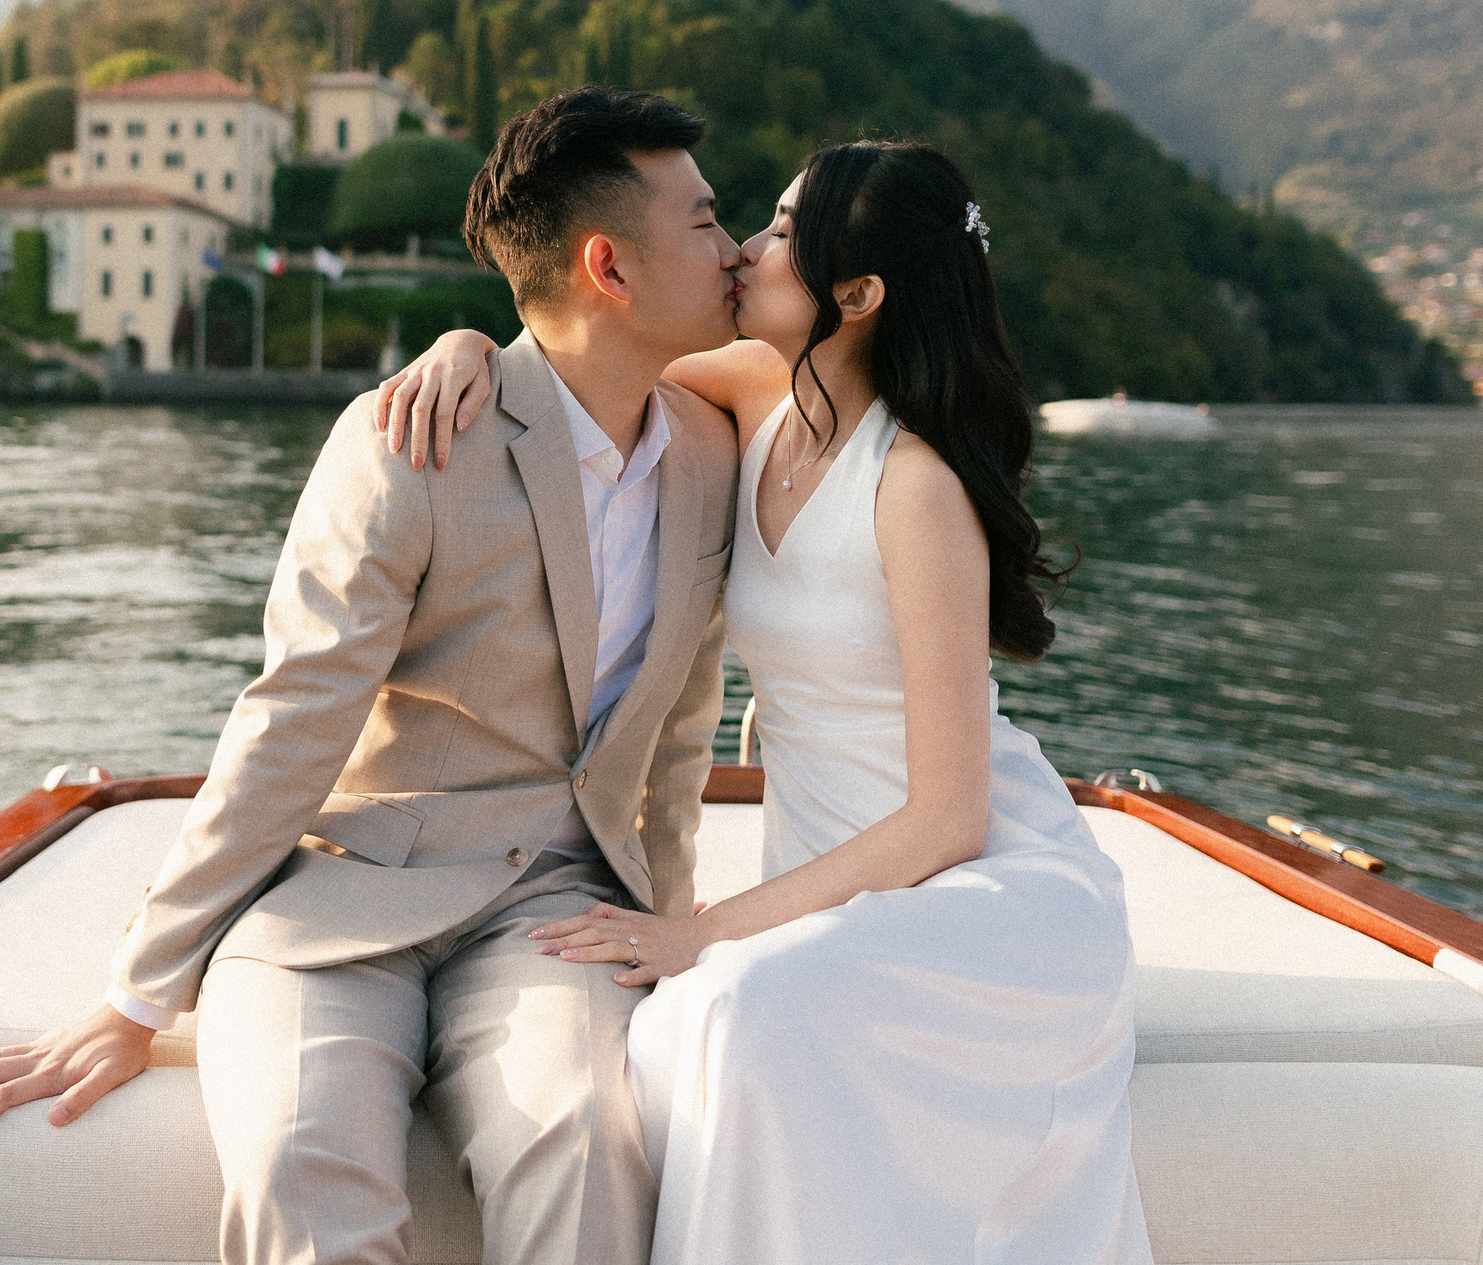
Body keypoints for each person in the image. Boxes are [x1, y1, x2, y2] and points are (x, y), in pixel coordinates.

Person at [0, 85, 746, 1265]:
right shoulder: (409, 439)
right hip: (344, 893)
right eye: (708, 224)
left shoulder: (716, 449)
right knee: (300, 1159)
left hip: (555, 911)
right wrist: (139, 993)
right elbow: (295, 715)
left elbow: (675, 733)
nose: (737, 250)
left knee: (586, 1138)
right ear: (607, 266)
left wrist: (661, 933)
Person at [378, 140, 1151, 1264]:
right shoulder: (753, 395)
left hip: (970, 884)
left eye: (783, 231)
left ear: (858, 293)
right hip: (826, 871)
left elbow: (948, 820)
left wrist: (698, 931)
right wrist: (464, 346)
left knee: (734, 1009)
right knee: (697, 1028)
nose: (744, 246)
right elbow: (578, 366)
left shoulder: (915, 487)